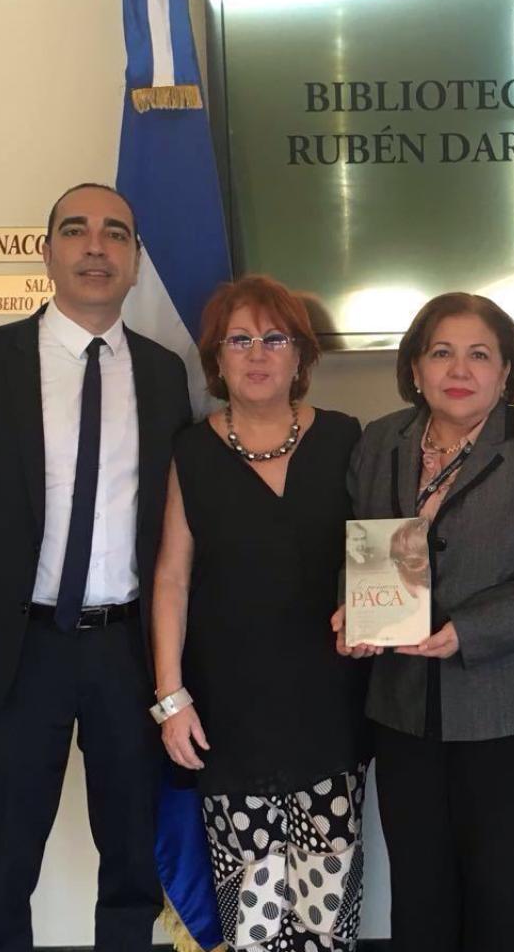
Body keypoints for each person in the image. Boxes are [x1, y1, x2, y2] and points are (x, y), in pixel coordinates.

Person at [0, 182, 193, 951]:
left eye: (116, 235)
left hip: (126, 652)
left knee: (132, 855)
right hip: (12, 652)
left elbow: (176, 541)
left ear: (134, 261)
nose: (96, 247)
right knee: (3, 861)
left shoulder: (166, 377)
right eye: (76, 230)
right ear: (47, 252)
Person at [335, 293, 514, 952]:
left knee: (500, 896)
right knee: (420, 895)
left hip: (513, 710)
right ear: (416, 368)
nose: (460, 368)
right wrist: (351, 604)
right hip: (404, 711)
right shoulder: (381, 442)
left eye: (480, 354)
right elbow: (361, 549)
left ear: (507, 371)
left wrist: (469, 630)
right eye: (442, 352)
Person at [150, 274, 368, 952]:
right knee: (253, 910)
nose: (257, 352)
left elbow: (377, 557)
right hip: (227, 718)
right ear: (216, 358)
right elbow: (171, 580)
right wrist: (169, 698)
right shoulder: (190, 451)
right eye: (237, 339)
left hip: (329, 708)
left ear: (300, 355)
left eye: (275, 338)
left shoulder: (345, 439)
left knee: (326, 908)